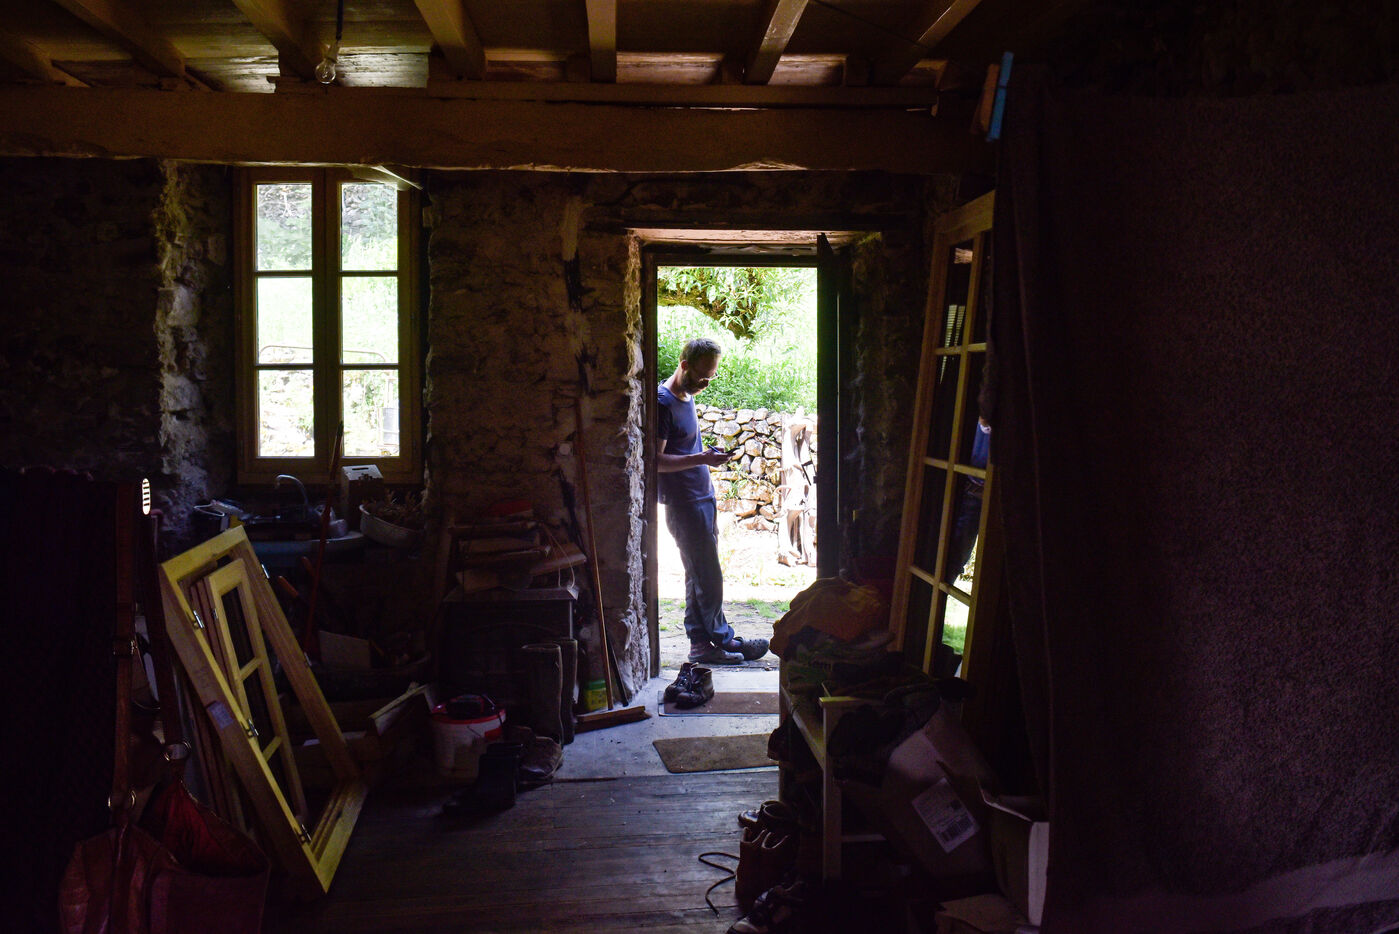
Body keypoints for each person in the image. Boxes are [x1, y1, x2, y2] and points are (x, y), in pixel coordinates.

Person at [658, 338, 770, 664]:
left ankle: (701, 645)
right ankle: (724, 640)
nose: (705, 384)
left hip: (702, 494)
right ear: (684, 365)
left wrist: (706, 456)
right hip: (683, 501)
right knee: (708, 576)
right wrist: (702, 459)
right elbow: (657, 461)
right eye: (701, 377)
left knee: (698, 573)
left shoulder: (687, 395)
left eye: (711, 377)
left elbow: (686, 448)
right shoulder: (663, 403)